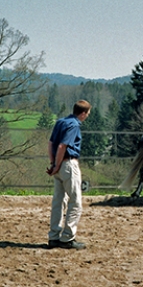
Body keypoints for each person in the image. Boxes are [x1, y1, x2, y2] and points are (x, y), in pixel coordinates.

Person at [45, 100, 91, 250]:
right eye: (87, 113)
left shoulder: (61, 122)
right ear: (83, 113)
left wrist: (53, 164)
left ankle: (54, 236)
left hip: (58, 165)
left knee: (58, 201)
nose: (87, 116)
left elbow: (51, 143)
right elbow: (62, 145)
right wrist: (58, 165)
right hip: (68, 164)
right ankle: (67, 238)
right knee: (75, 202)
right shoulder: (74, 125)